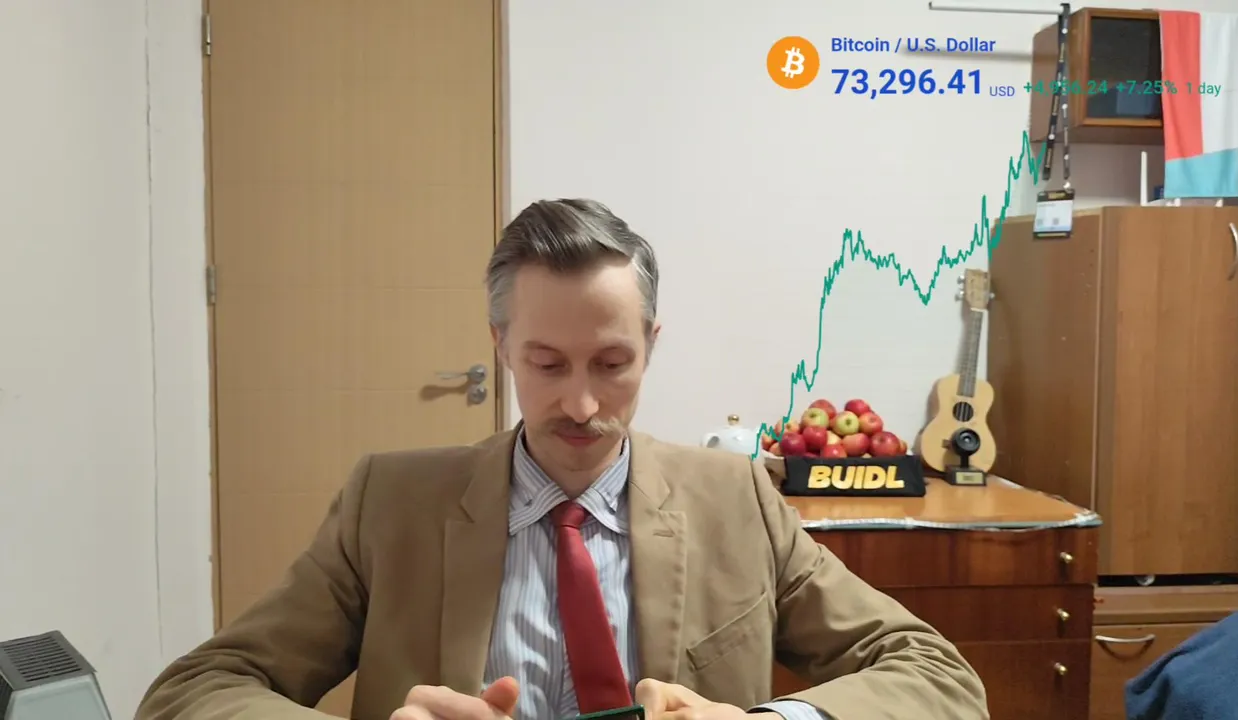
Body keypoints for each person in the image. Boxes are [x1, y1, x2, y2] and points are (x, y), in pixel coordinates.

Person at [136, 199, 988, 720]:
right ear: (501, 345)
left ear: (651, 345)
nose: (581, 404)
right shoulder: (390, 502)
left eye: (612, 364)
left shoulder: (738, 499)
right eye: (547, 365)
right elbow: (196, 691)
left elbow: (938, 678)